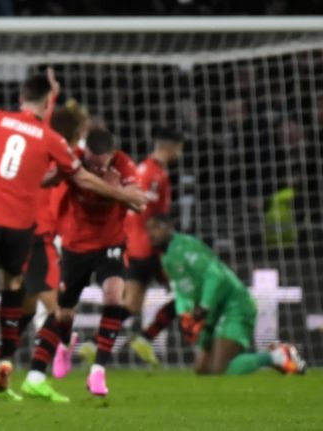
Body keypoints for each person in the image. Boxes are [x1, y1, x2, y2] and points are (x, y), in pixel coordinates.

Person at [0, 73, 147, 404]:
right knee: (55, 310)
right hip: (31, 233)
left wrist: (52, 99)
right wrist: (123, 195)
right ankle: (31, 374)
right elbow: (75, 170)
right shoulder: (54, 144)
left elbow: (29, 127)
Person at [20, 126, 139, 400]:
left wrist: (119, 189)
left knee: (113, 296)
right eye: (91, 163)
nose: (96, 169)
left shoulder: (124, 165)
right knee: (61, 313)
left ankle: (98, 371)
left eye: (102, 164)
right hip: (76, 246)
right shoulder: (75, 158)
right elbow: (49, 180)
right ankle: (63, 344)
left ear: (112, 155)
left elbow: (139, 203)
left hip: (111, 243)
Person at [145, 213, 306, 375]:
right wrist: (185, 314)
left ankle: (277, 355)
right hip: (212, 312)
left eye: (156, 227)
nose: (151, 233)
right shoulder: (166, 258)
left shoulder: (186, 246)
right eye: (148, 229)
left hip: (234, 305)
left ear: (169, 228)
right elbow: (181, 290)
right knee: (202, 370)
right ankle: (271, 358)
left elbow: (215, 275)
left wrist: (203, 306)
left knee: (219, 369)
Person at [18, 98, 90, 385]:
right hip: (41, 236)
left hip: (27, 232)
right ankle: (37, 374)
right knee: (59, 307)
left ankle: (2, 364)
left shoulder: (44, 148)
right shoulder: (66, 155)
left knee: (26, 303)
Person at [121, 126, 184, 366]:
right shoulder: (155, 176)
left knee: (132, 304)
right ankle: (147, 338)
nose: (180, 154)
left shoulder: (143, 169)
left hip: (134, 245)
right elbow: (151, 218)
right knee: (186, 294)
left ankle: (95, 342)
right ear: (170, 147)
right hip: (150, 248)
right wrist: (166, 245)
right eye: (179, 149)